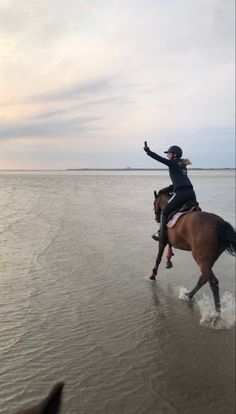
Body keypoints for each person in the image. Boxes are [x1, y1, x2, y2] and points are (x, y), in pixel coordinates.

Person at [143, 141, 197, 243]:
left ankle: (162, 236)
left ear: (174, 155)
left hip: (181, 194)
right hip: (191, 193)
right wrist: (170, 188)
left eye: (169, 153)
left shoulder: (173, 163)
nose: (167, 155)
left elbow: (159, 159)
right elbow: (181, 181)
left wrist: (148, 151)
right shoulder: (182, 165)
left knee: (164, 212)